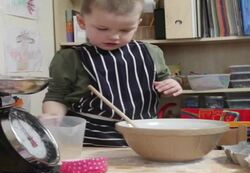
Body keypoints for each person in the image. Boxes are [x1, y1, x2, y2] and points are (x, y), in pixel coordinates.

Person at [42, 0, 183, 147]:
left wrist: (172, 85)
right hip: (93, 140)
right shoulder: (69, 58)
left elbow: (164, 84)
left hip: (144, 134)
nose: (114, 36)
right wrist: (52, 117)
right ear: (82, 22)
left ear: (137, 23)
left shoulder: (152, 52)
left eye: (125, 30)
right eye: (103, 29)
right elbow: (57, 95)